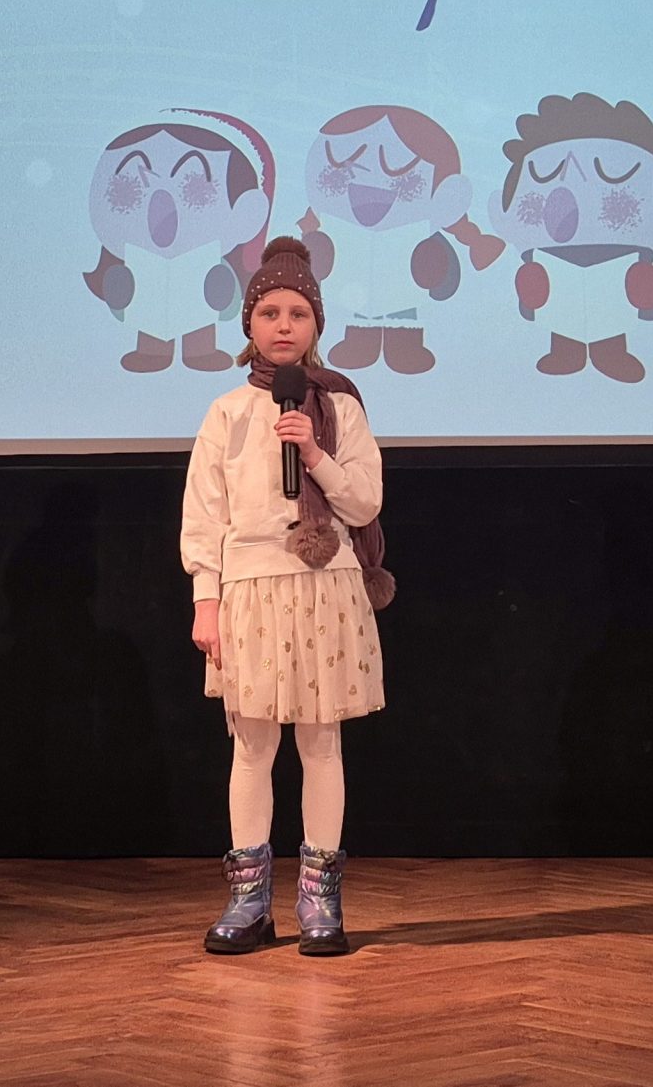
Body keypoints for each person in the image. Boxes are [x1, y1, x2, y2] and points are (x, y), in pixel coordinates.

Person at [179, 236, 393, 956]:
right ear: (249, 322)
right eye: (269, 311)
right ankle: (248, 900)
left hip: (326, 586)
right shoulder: (228, 412)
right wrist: (205, 599)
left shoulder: (339, 407)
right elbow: (205, 514)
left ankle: (318, 899)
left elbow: (364, 503)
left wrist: (315, 452)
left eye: (298, 313)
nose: (283, 325)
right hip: (251, 589)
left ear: (316, 324)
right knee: (252, 744)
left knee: (322, 742)